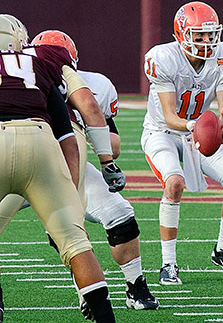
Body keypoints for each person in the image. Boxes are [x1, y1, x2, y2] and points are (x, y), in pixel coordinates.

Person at [24, 30, 159, 313]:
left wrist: (87, 133)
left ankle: (135, 286)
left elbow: (114, 142)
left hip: (71, 163)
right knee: (67, 225)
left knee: (120, 215)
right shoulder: (18, 82)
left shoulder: (94, 84)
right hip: (30, 158)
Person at [0, 17, 115, 322]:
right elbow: (66, 130)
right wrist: (73, 184)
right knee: (76, 242)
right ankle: (103, 315)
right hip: (43, 140)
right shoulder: (43, 62)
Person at [141, 1, 223, 285]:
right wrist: (196, 126)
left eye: (210, 35)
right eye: (198, 35)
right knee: (174, 183)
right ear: (181, 34)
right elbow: (169, 116)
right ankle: (168, 264)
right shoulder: (164, 58)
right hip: (163, 132)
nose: (206, 41)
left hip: (197, 133)